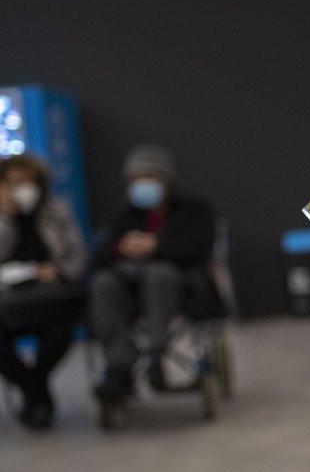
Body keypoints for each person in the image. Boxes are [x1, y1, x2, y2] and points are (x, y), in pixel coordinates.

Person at [90, 144, 217, 405]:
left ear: (165, 179)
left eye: (149, 178)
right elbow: (99, 255)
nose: (142, 184)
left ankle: (157, 353)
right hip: (130, 289)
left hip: (180, 288)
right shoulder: (125, 215)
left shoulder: (193, 210)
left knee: (159, 274)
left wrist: (156, 246)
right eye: (136, 179)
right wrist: (121, 247)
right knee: (102, 283)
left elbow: (200, 247)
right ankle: (119, 366)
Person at [0, 154, 86, 429]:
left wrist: (57, 271)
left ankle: (34, 389)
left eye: (29, 182)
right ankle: (34, 389)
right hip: (6, 298)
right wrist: (5, 219)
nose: (23, 188)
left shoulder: (55, 211)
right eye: (15, 182)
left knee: (62, 326)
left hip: (50, 295)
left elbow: (78, 255)